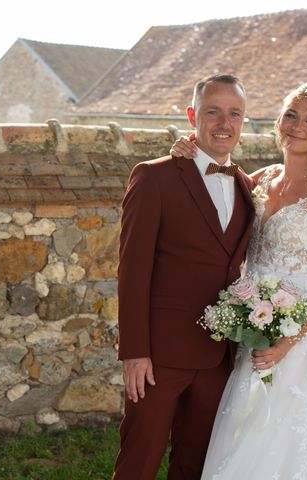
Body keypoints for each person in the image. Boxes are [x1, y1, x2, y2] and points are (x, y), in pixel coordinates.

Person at [170, 83, 307, 479]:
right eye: (291, 115)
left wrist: (285, 342)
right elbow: (212, 175)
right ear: (279, 121)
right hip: (255, 328)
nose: (298, 126)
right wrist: (189, 150)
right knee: (241, 433)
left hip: (304, 339)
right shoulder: (260, 179)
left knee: (283, 445)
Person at [113, 74, 256, 479]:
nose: (223, 123)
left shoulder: (248, 187)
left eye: (234, 114)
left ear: (244, 121)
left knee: (194, 465)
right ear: (193, 116)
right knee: (138, 464)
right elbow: (132, 271)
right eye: (213, 112)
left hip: (218, 357)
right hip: (158, 357)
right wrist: (134, 351)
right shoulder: (154, 177)